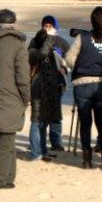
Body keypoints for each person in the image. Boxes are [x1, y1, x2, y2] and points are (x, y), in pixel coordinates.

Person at [0, 9, 30, 189]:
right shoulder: (18, 46)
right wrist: (26, 98)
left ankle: (8, 178)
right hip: (10, 97)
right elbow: (23, 77)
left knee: (7, 138)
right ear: (13, 24)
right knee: (5, 140)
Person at [65, 6, 102, 169]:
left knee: (85, 123)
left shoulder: (83, 37)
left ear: (92, 21)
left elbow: (69, 58)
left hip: (82, 83)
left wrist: (78, 66)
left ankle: (87, 159)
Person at [28, 15, 70, 161]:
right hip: (38, 85)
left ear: (55, 28)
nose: (47, 29)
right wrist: (47, 41)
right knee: (37, 119)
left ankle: (46, 148)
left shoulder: (62, 42)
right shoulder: (35, 42)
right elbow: (35, 57)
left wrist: (65, 68)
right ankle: (36, 152)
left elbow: (70, 60)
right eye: (44, 26)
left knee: (49, 118)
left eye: (50, 26)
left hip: (55, 85)